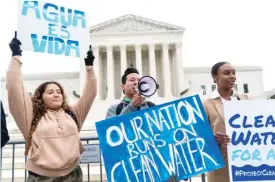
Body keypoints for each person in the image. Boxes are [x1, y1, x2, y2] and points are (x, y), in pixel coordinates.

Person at [6, 32, 97, 181]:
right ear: (40, 97)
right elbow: (14, 89)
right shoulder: (30, 116)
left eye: (59, 92)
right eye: (50, 92)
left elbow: (90, 93)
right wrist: (16, 57)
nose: (56, 94)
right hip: (42, 177)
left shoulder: (73, 113)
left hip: (73, 174)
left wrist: (89, 67)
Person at [106, 68, 188, 182]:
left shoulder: (152, 107)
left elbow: (167, 138)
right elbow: (112, 135)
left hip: (155, 168)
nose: (136, 82)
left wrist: (182, 167)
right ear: (123, 87)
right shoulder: (114, 109)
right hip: (130, 169)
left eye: (139, 80)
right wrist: (132, 106)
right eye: (132, 80)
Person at [203, 61, 250, 182]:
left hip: (247, 163)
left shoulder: (245, 99)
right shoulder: (206, 104)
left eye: (233, 73)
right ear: (215, 77)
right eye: (226, 73)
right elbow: (199, 136)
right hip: (220, 166)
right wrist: (212, 138)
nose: (232, 76)